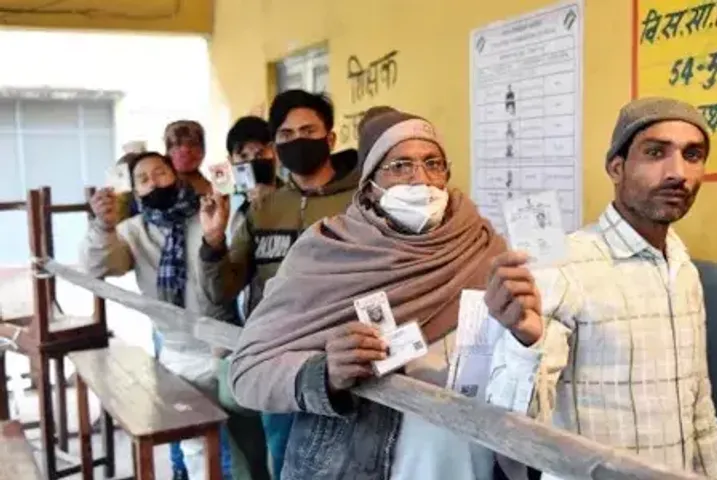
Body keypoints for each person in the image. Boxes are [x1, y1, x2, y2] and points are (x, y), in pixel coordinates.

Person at [227, 106, 508, 480]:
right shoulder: (327, 250)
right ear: (370, 182)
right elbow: (247, 373)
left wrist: (528, 338)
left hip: (471, 463)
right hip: (354, 464)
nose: (419, 180)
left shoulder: (484, 246)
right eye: (400, 166)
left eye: (433, 163)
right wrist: (324, 373)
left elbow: (517, 369)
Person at [484, 97, 717, 480]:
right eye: (655, 153)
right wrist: (526, 343)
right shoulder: (563, 267)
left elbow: (699, 410)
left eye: (693, 155)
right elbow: (516, 426)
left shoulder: (682, 269)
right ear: (616, 168)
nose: (678, 173)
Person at [200, 90, 359, 478]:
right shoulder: (264, 207)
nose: (297, 140)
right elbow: (223, 288)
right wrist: (214, 240)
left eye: (308, 130)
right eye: (286, 135)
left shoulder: (360, 201)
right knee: (286, 464)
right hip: (281, 365)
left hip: (347, 363)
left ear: (331, 138)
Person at [81, 152, 240, 480]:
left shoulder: (209, 212)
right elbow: (98, 265)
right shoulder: (133, 232)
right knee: (197, 447)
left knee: (242, 442)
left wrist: (216, 235)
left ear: (176, 174)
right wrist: (103, 226)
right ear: (135, 191)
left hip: (228, 348)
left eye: (160, 172)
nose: (154, 182)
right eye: (143, 179)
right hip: (178, 355)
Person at [164, 120, 212, 196]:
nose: (185, 149)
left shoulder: (218, 186)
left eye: (193, 144)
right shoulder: (157, 187)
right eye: (177, 144)